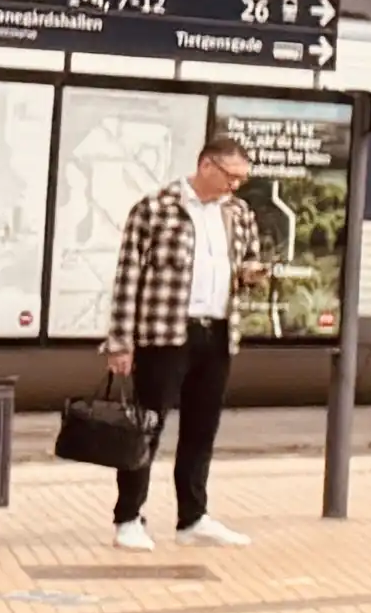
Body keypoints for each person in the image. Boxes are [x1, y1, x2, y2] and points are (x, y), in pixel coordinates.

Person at [102, 133, 269, 553]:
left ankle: (193, 518)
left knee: (201, 429)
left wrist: (251, 274)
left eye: (241, 179)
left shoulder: (238, 212)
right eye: (231, 176)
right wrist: (120, 342)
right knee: (146, 428)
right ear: (206, 165)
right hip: (164, 333)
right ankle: (128, 517)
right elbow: (128, 278)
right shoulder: (156, 208)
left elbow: (246, 261)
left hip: (217, 332)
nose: (235, 185)